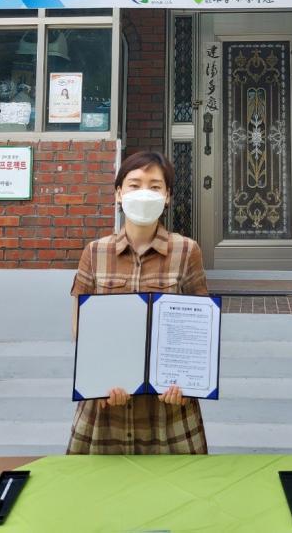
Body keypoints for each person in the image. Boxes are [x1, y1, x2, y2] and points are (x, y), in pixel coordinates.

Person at [67, 150, 208, 455]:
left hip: (169, 410)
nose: (144, 193)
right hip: (106, 404)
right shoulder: (95, 252)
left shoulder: (187, 251)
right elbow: (80, 324)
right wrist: (98, 377)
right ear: (119, 193)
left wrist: (188, 383)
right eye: (134, 184)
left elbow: (199, 327)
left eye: (155, 186)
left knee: (177, 484)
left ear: (167, 197)